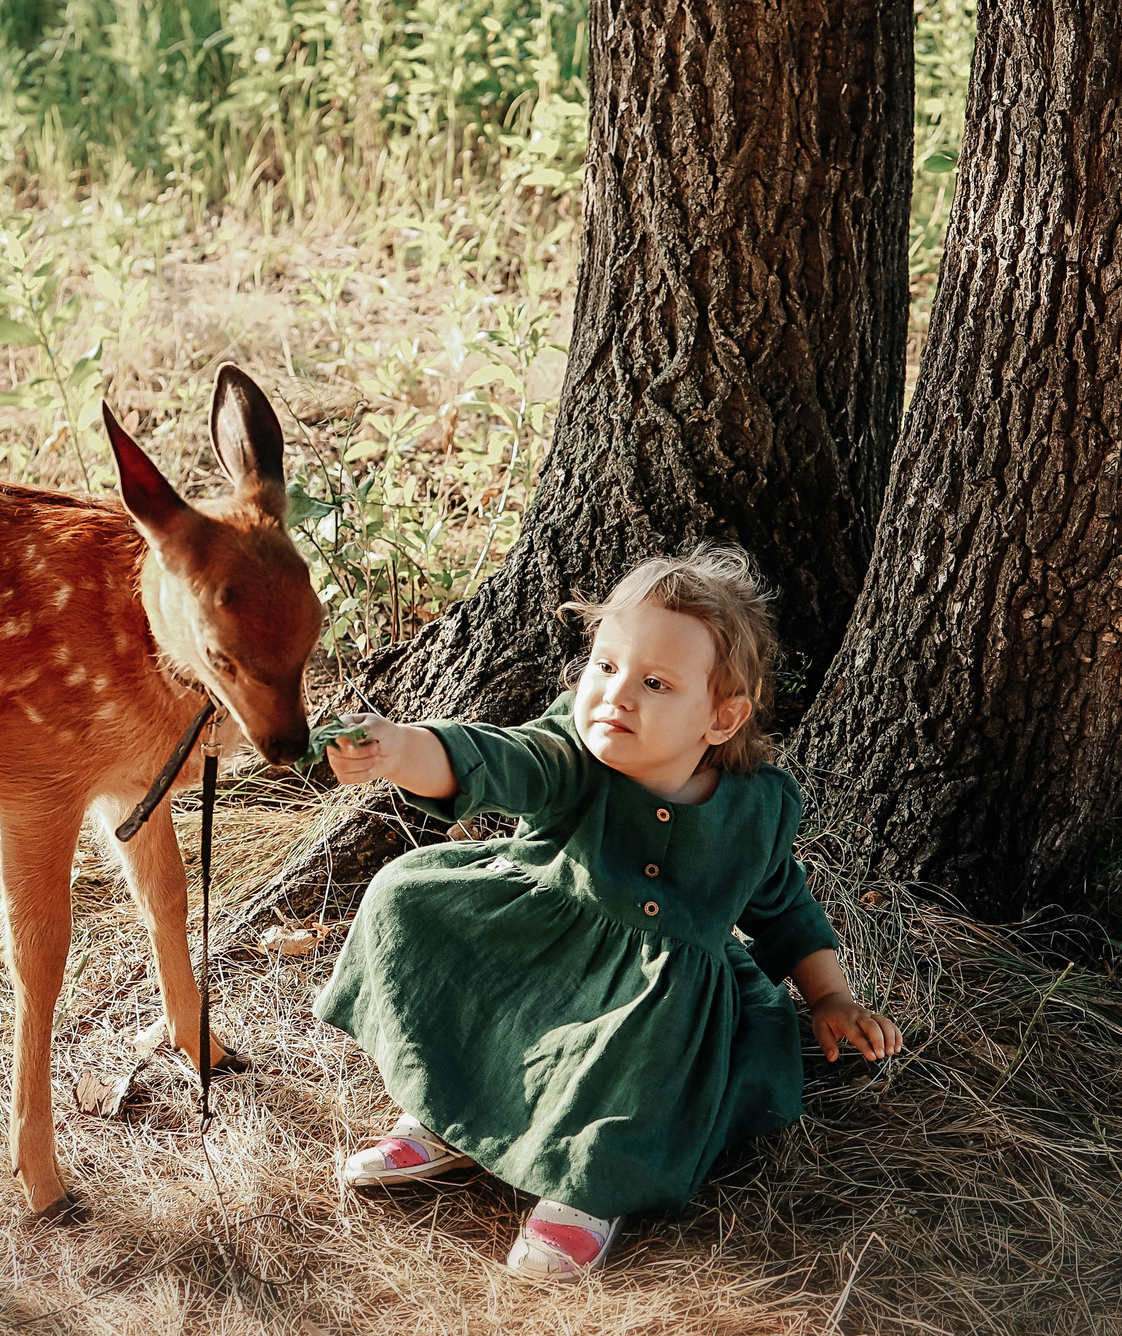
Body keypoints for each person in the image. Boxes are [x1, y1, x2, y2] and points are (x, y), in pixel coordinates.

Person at [313, 546, 903, 1277]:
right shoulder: (574, 753)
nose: (617, 695)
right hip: (539, 938)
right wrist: (401, 748)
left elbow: (782, 903)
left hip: (656, 996)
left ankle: (590, 1181)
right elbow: (497, 758)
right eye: (605, 666)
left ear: (722, 717)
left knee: (653, 1025)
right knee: (408, 897)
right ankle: (444, 1111)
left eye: (655, 682)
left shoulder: (753, 809)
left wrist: (831, 995)